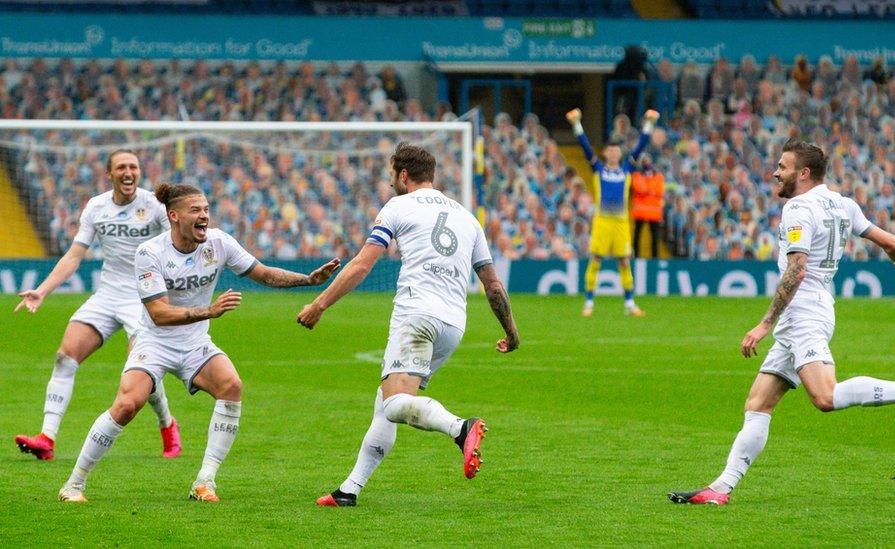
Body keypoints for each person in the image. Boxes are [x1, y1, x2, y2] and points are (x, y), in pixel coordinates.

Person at [668, 138, 895, 506]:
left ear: (803, 173)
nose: (775, 172)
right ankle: (721, 489)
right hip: (811, 309)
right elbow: (892, 243)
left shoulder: (798, 208)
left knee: (825, 396)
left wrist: (764, 324)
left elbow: (797, 269)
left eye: (783, 167)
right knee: (758, 403)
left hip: (804, 311)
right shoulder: (843, 204)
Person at [57, 183, 340, 503]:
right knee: (126, 405)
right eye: (196, 210)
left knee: (231, 386)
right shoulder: (150, 253)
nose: (204, 215)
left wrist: (307, 280)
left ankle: (205, 481)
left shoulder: (219, 242)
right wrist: (208, 310)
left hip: (194, 343)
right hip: (155, 341)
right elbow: (159, 313)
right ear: (174, 216)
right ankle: (74, 484)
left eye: (206, 209)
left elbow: (263, 274)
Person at [297, 143, 519, 507]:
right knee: (385, 400)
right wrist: (511, 332)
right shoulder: (467, 217)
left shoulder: (397, 206)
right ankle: (350, 489)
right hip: (453, 325)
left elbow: (362, 264)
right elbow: (492, 284)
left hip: (416, 315)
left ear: (403, 176)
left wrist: (320, 304)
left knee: (397, 403)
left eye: (391, 177)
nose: (390, 185)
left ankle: (460, 429)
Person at [14, 150, 182, 461]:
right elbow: (75, 255)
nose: (128, 172)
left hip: (143, 298)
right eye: (121, 167)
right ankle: (47, 438)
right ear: (110, 174)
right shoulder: (97, 206)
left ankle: (168, 424)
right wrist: (42, 291)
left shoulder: (154, 205)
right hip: (107, 295)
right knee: (65, 356)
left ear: (139, 172)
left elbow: (176, 241)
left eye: (133, 166)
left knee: (141, 371)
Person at [566, 107, 657, 317]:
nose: (614, 153)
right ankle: (588, 302)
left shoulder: (627, 169)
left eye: (617, 150)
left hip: (621, 222)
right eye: (611, 150)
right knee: (596, 259)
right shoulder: (599, 169)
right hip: (603, 221)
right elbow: (586, 148)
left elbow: (641, 144)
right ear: (606, 153)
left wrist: (650, 122)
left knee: (624, 261)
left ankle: (629, 304)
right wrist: (576, 124)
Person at [631, 155, 666, 258]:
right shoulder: (637, 175)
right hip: (641, 211)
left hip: (653, 212)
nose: (646, 163)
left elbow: (660, 190)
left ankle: (654, 259)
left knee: (654, 237)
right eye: (644, 161)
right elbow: (639, 188)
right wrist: (651, 189)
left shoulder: (659, 176)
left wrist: (647, 188)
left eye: (648, 161)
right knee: (637, 235)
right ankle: (636, 256)